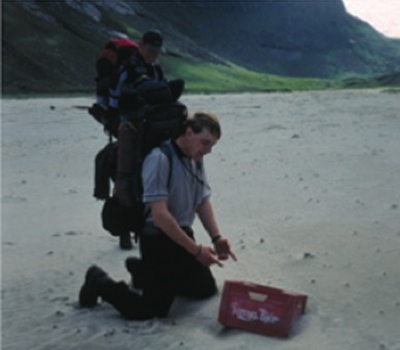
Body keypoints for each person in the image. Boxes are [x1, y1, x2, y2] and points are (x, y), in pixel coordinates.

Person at [79, 112, 237, 320]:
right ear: (189, 133)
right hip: (157, 238)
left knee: (204, 290)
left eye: (212, 146)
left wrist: (217, 238)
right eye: (205, 143)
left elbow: (201, 201)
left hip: (182, 234)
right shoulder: (159, 159)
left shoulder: (195, 159)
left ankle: (142, 271)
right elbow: (160, 215)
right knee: (151, 310)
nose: (208, 151)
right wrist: (197, 251)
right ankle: (99, 281)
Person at [110, 29, 184, 250]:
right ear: (141, 45)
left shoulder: (156, 69)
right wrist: (119, 122)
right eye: (151, 50)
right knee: (126, 174)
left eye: (157, 51)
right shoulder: (128, 67)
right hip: (130, 127)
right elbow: (114, 97)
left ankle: (155, 223)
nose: (153, 54)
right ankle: (123, 230)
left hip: (153, 126)